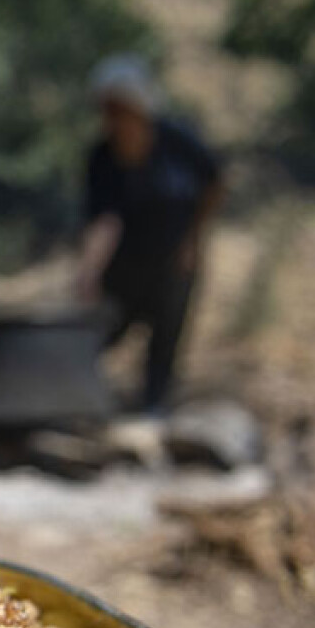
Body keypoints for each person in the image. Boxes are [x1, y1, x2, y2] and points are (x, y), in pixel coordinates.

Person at [77, 54, 224, 415]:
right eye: (107, 111)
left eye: (119, 109)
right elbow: (103, 220)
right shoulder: (101, 157)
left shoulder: (178, 142)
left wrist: (194, 239)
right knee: (102, 333)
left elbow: (214, 183)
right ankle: (80, 399)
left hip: (174, 261)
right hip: (125, 266)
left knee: (166, 339)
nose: (113, 120)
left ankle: (154, 409)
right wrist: (89, 272)